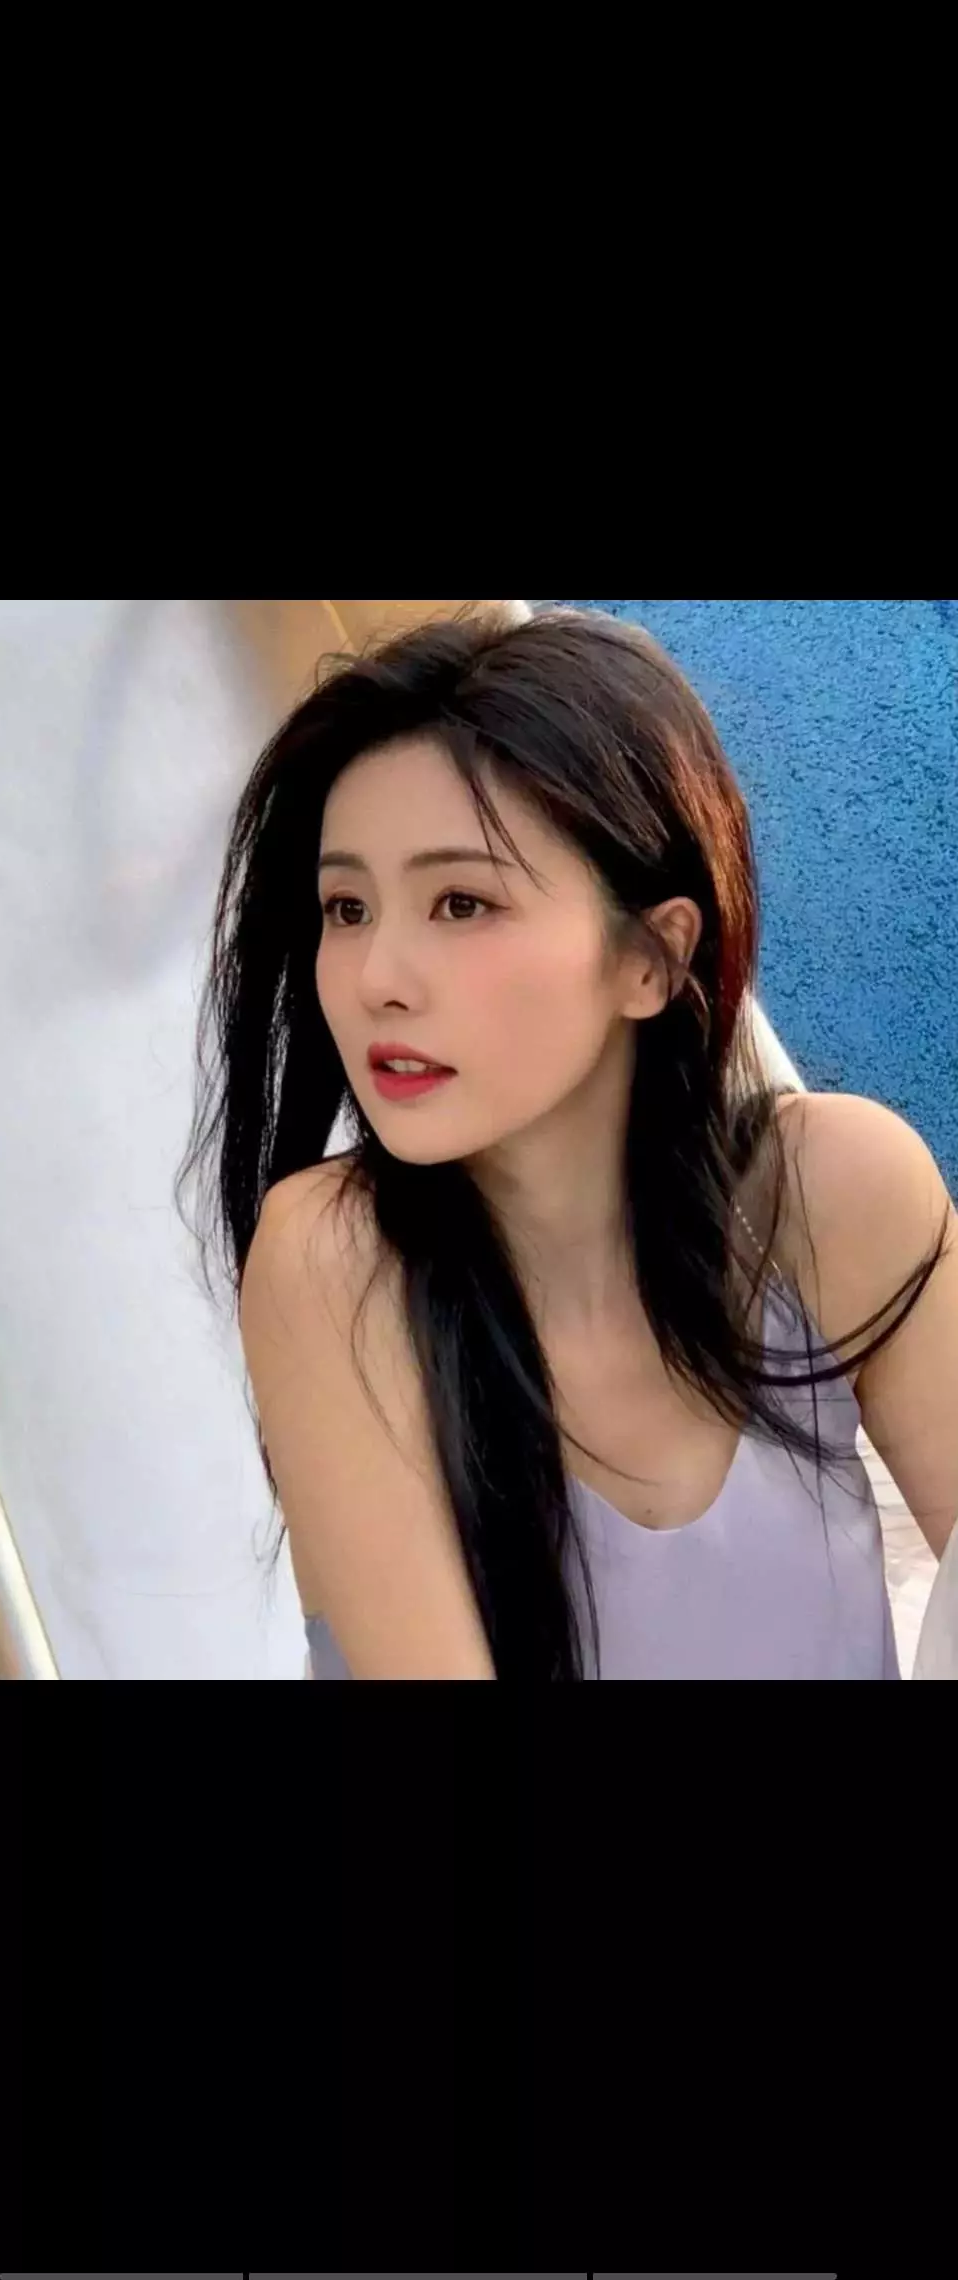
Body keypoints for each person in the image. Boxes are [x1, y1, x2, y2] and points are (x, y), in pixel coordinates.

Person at [176, 605, 956, 1679]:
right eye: (346, 908)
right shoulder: (339, 1264)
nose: (376, 978)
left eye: (460, 902)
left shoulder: (831, 1192)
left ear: (650, 957)